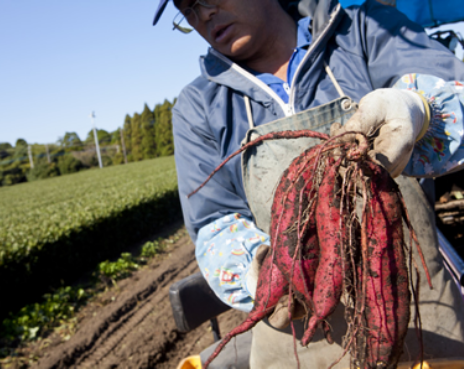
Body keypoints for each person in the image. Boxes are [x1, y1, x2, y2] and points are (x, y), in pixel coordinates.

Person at [153, 0, 464, 367]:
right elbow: (212, 221)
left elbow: (455, 93)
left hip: (417, 310)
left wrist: (419, 109)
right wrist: (260, 272)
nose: (202, 14)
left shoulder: (360, 31)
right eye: (186, 9)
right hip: (297, 334)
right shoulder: (198, 105)